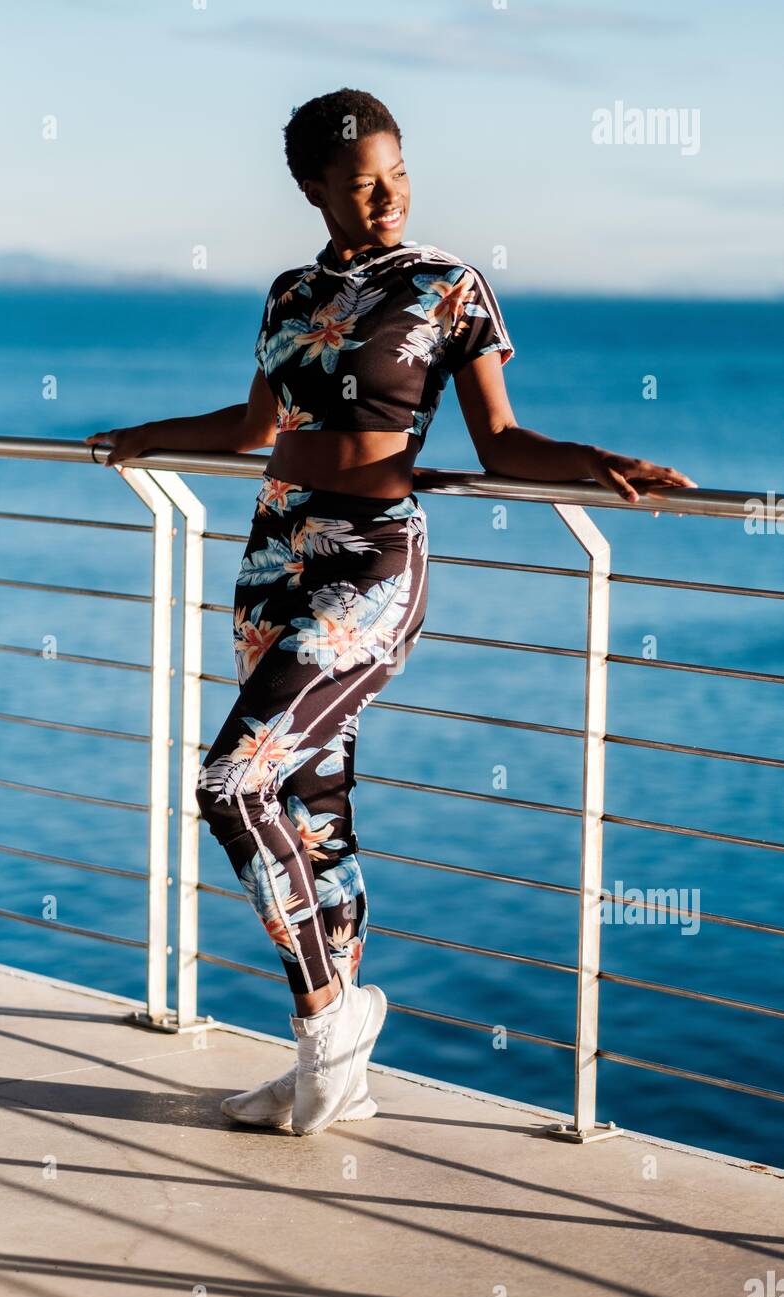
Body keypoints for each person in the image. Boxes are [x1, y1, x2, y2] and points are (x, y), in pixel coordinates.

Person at [85, 88, 697, 1138]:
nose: (385, 197)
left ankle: (331, 1018)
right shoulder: (287, 293)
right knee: (314, 813)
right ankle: (333, 1076)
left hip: (369, 563)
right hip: (276, 550)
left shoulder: (447, 286)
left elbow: (500, 441)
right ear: (313, 188)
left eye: (397, 174)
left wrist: (593, 463)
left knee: (231, 781)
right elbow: (249, 424)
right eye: (361, 181)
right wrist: (142, 432)